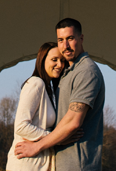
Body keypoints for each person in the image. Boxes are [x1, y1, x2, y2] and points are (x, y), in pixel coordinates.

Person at [15, 18, 106, 171]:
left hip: (79, 165)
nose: (66, 46)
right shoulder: (66, 72)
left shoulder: (87, 72)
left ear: (81, 38)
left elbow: (73, 121)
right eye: (61, 40)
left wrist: (37, 147)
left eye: (70, 38)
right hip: (60, 162)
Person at [6, 42, 67, 171]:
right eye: (54, 60)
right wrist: (55, 138)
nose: (60, 65)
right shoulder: (36, 83)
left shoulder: (47, 89)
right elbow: (21, 126)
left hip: (37, 162)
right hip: (25, 163)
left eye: (62, 60)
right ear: (42, 60)